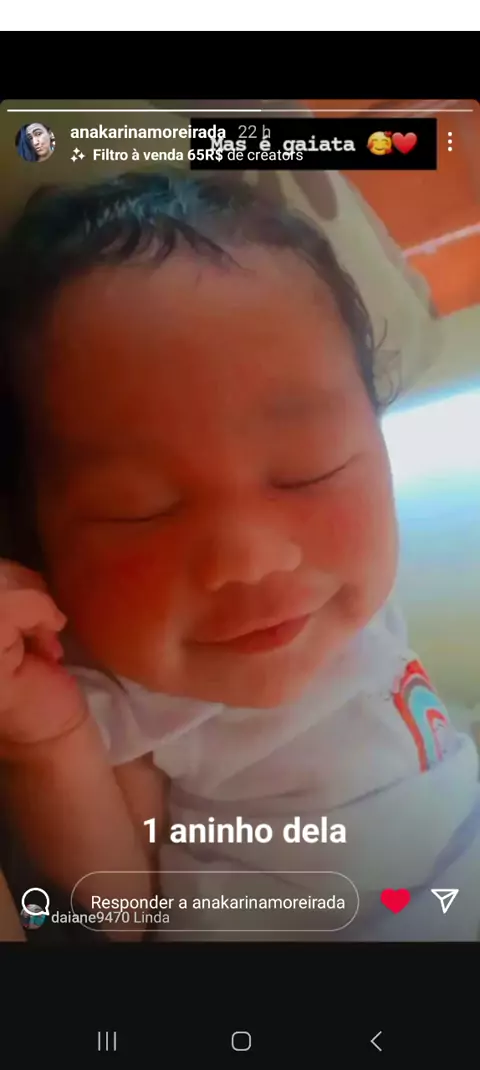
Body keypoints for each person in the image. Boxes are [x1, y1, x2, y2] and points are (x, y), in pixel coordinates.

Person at [0, 173, 478, 942]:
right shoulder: (122, 691)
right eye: (140, 510)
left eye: (309, 470)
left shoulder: (350, 591)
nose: (251, 560)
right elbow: (122, 911)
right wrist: (44, 738)